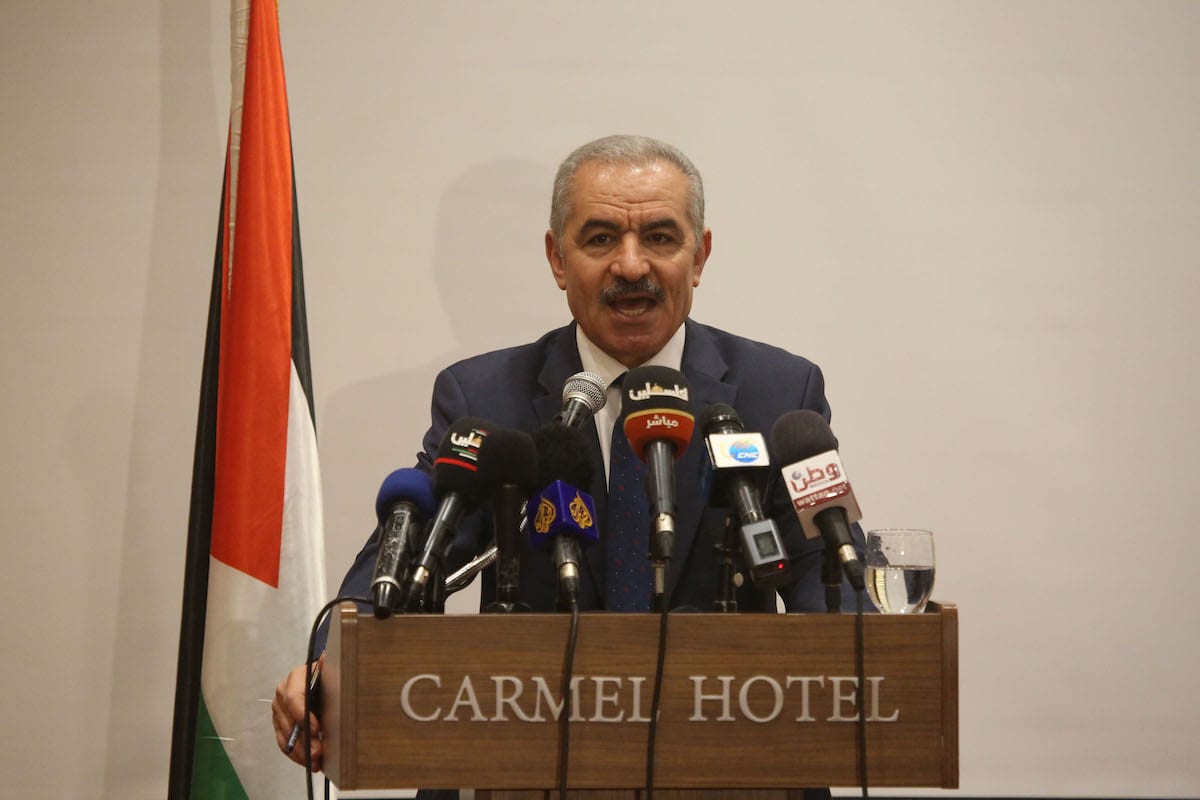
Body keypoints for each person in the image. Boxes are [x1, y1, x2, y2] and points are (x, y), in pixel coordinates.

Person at [272, 135, 859, 794]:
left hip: (734, 765)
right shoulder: (486, 397)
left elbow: (827, 567)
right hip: (522, 766)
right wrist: (333, 660)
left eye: (661, 238)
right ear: (557, 257)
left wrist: (877, 660)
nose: (631, 266)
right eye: (601, 239)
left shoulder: (778, 391)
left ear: (701, 256)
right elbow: (412, 554)